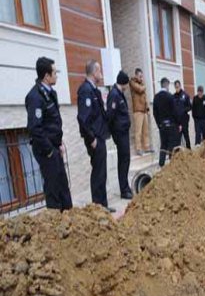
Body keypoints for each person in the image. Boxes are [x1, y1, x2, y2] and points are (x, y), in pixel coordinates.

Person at [25, 57, 72, 211]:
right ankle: (57, 225)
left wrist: (58, 144)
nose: (56, 75)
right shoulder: (35, 97)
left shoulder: (50, 93)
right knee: (53, 188)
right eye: (54, 72)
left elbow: (53, 123)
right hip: (45, 150)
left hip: (54, 146)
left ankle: (69, 219)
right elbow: (35, 128)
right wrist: (50, 151)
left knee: (62, 184)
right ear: (46, 76)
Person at [77, 60, 113, 212]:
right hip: (95, 139)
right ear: (94, 72)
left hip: (100, 136)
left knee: (102, 172)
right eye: (99, 71)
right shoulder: (85, 90)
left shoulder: (94, 90)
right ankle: (98, 207)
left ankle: (103, 205)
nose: (101, 74)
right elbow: (83, 118)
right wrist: (91, 139)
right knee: (98, 173)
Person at [107, 71, 133, 200]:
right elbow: (110, 116)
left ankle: (126, 186)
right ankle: (124, 190)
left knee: (126, 159)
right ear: (123, 83)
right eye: (127, 84)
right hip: (120, 133)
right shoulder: (114, 95)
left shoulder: (119, 94)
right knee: (123, 161)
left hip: (123, 132)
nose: (127, 87)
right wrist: (114, 133)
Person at [153, 77, 180, 167]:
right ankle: (172, 165)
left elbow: (155, 113)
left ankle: (161, 163)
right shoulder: (170, 97)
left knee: (163, 145)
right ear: (167, 85)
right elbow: (175, 111)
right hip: (171, 125)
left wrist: (159, 124)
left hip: (162, 126)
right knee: (172, 145)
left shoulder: (156, 97)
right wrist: (178, 123)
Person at [129, 68, 151, 155]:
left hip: (144, 110)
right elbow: (140, 89)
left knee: (145, 131)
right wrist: (144, 86)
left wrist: (147, 108)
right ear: (136, 75)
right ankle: (138, 149)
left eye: (142, 76)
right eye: (140, 76)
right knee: (138, 131)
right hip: (137, 110)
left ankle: (146, 147)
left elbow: (145, 97)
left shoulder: (141, 84)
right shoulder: (132, 82)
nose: (141, 78)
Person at [174, 80, 192, 149]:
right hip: (177, 121)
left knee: (186, 136)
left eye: (178, 86)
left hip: (184, 120)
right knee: (177, 139)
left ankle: (189, 151)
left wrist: (184, 110)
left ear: (180, 86)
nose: (177, 88)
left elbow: (190, 106)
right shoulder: (174, 96)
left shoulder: (185, 95)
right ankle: (178, 154)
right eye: (176, 87)